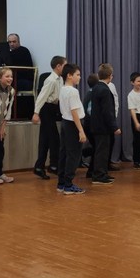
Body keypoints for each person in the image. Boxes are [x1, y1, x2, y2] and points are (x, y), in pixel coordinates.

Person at [32, 55, 66, 179]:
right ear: (58, 66)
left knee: (45, 139)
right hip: (46, 109)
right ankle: (53, 165)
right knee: (54, 138)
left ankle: (40, 166)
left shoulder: (60, 79)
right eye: (65, 65)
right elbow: (42, 97)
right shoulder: (51, 80)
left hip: (53, 109)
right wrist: (36, 113)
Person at [56, 63, 87, 195]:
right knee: (73, 155)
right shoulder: (73, 91)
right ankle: (68, 185)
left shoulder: (63, 89)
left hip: (65, 123)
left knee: (64, 153)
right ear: (69, 75)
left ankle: (61, 183)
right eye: (77, 75)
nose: (80, 77)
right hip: (73, 124)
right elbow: (74, 112)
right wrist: (81, 130)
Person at [91, 64, 121, 185]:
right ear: (110, 76)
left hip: (96, 125)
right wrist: (114, 127)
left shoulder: (96, 87)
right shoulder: (105, 90)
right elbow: (107, 111)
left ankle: (101, 173)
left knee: (100, 151)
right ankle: (99, 175)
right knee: (102, 152)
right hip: (103, 127)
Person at [6, 33, 34, 119]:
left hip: (25, 80)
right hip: (15, 79)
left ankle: (10, 114)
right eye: (9, 42)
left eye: (14, 42)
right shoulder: (10, 53)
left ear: (19, 42)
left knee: (5, 84)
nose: (11, 44)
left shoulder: (23, 51)